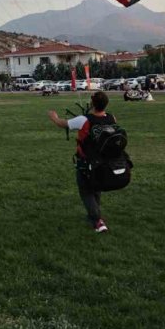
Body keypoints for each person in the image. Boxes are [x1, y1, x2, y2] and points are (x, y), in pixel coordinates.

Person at [47, 91, 117, 233]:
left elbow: (63, 124)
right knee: (96, 187)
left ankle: (97, 220)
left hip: (87, 160)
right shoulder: (112, 118)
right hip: (104, 160)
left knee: (85, 190)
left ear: (92, 103)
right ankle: (93, 216)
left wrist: (54, 117)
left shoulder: (84, 120)